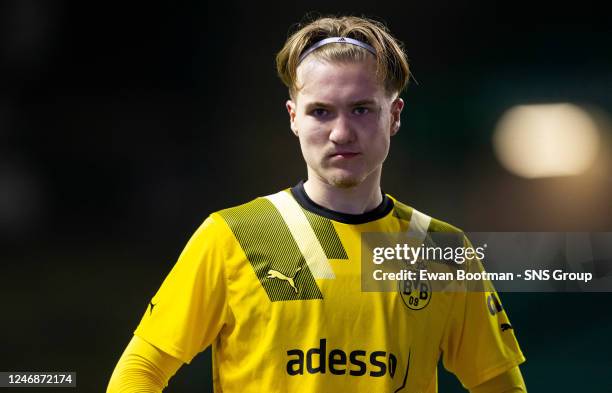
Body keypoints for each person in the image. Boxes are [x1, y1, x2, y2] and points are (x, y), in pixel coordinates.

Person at [107, 15, 527, 393]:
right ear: (293, 117)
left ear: (395, 115)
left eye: (361, 109)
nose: (341, 133)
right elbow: (141, 369)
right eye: (321, 112)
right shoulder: (234, 236)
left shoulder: (439, 250)